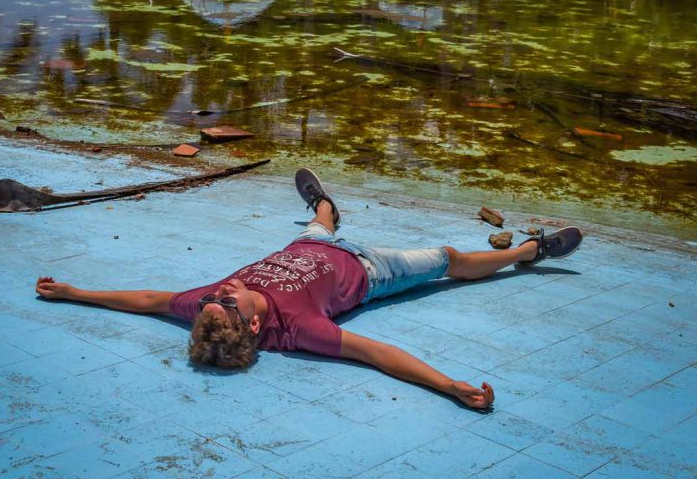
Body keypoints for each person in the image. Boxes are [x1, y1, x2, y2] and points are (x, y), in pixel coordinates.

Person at [35, 168, 583, 411]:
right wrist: (449, 386)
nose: (219, 293)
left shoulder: (205, 308)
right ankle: (528, 252)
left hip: (306, 247)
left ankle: (323, 204)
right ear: (251, 325)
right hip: (371, 269)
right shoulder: (299, 331)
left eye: (210, 302)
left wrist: (76, 292)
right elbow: (378, 354)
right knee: (449, 260)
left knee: (318, 223)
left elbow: (149, 300)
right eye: (226, 303)